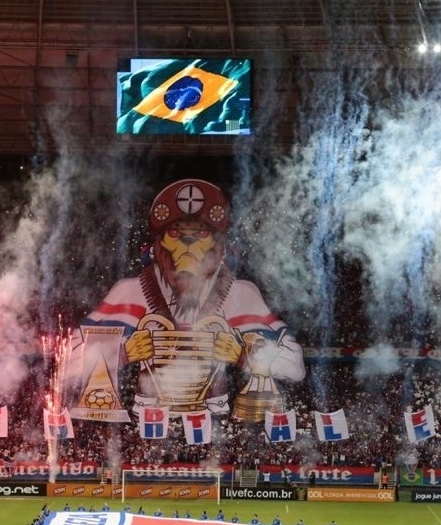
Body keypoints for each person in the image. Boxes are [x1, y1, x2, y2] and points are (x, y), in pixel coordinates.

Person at [66, 179, 306, 422]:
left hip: (214, 422)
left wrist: (244, 355)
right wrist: (123, 352)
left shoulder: (241, 294)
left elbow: (295, 366)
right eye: (176, 233)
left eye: (201, 233)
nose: (188, 244)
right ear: (157, 244)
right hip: (149, 419)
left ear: (220, 247)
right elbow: (68, 362)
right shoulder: (131, 292)